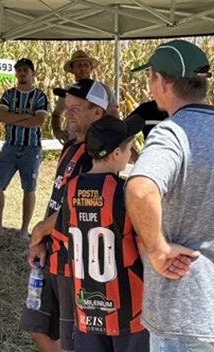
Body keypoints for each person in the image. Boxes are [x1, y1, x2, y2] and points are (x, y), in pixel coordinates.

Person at [125, 40, 214, 351]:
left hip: (187, 315)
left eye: (150, 78)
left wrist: (158, 250)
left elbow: (140, 189)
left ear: (161, 81)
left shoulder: (172, 132)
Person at [22, 79, 108, 352]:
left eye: (76, 108)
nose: (68, 112)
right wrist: (42, 240)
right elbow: (58, 200)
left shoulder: (96, 156)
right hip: (52, 251)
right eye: (67, 106)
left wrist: (39, 230)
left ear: (97, 112)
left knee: (72, 337)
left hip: (74, 260)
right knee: (37, 325)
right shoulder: (71, 147)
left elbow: (81, 208)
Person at [53, 114, 148, 352]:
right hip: (130, 310)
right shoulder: (126, 192)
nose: (131, 152)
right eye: (129, 147)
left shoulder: (71, 189)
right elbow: (145, 250)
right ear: (116, 153)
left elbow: (67, 242)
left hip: (86, 309)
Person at [0, 58, 49, 239]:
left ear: (33, 73)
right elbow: (1, 116)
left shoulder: (40, 96)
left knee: (29, 187)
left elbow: (38, 121)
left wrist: (14, 117)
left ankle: (23, 230)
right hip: (10, 145)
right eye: (19, 70)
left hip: (31, 147)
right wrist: (26, 116)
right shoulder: (8, 94)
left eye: (25, 70)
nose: (22, 73)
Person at [51, 49, 119, 144]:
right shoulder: (67, 92)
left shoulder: (104, 90)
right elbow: (56, 115)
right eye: (79, 65)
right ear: (72, 70)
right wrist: (57, 130)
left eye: (86, 65)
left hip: (98, 143)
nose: (83, 68)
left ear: (91, 68)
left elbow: (113, 116)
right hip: (73, 142)